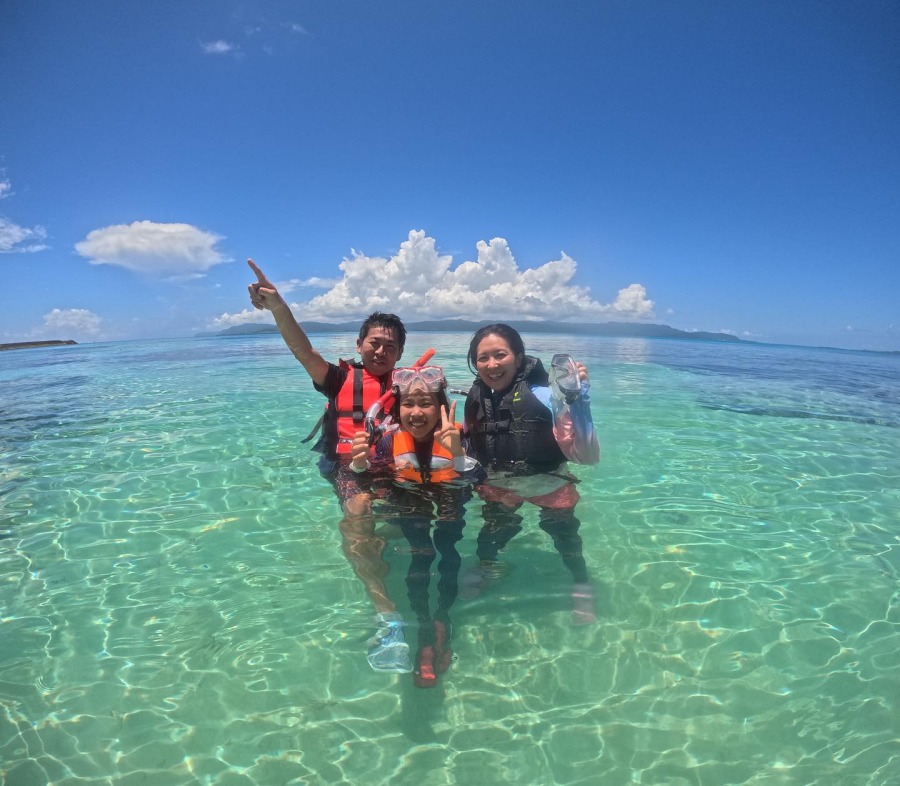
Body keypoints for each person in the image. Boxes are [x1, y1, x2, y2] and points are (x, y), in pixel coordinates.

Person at [247, 259, 414, 672]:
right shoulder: (339, 379)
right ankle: (387, 615)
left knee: (403, 523)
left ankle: (378, 560)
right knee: (359, 512)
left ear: (400, 354)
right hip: (346, 468)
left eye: (390, 346)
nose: (380, 350)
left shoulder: (410, 387)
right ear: (359, 345)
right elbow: (303, 350)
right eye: (374, 342)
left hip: (392, 469)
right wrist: (278, 308)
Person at [349, 365, 483, 686]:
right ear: (398, 409)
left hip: (450, 494)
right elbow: (371, 477)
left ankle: (442, 619)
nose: (416, 411)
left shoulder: (459, 438)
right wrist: (359, 464)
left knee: (448, 548)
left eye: (426, 403)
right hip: (411, 500)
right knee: (420, 554)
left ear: (441, 407)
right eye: (408, 403)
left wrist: (458, 456)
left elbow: (478, 479)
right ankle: (424, 626)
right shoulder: (388, 441)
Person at [461, 323, 601, 624]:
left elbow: (588, 457)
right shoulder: (475, 399)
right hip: (501, 485)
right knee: (492, 535)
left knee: (565, 537)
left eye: (500, 355)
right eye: (483, 358)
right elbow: (470, 449)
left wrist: (579, 404)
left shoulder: (547, 395)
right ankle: (487, 567)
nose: (491, 365)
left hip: (548, 480)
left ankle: (581, 584)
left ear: (519, 357)